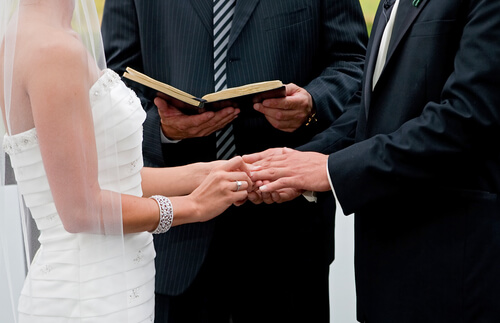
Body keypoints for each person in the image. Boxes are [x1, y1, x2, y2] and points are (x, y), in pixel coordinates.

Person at [101, 0, 367, 322]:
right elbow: (113, 83)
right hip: (173, 243)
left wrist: (312, 104)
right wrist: (161, 127)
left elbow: (354, 63)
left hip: (287, 236)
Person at [244, 0, 500, 322]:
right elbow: (371, 109)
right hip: (384, 268)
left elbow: (467, 117)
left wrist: (329, 170)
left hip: (453, 269)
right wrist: (299, 162)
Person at [0, 0, 252, 321]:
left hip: (112, 288)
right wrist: (194, 207)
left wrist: (209, 173)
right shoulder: (53, 51)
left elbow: (113, 177)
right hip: (90, 299)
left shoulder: (37, 35)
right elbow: (81, 209)